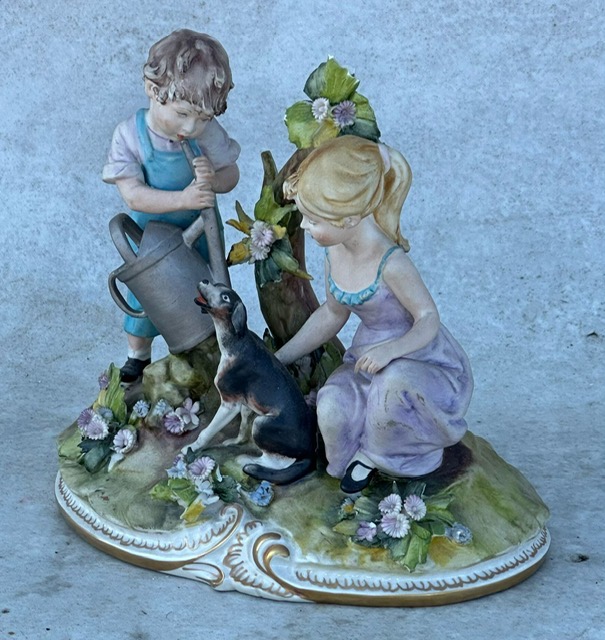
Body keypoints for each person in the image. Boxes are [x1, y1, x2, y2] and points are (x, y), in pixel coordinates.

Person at [276, 135, 473, 493]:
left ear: (350, 217)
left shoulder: (391, 263)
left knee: (391, 387)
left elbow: (428, 318)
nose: (303, 226)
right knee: (331, 404)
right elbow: (332, 313)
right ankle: (349, 458)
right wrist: (281, 358)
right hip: (366, 359)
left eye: (312, 219)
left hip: (419, 359)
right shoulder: (334, 252)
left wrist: (392, 350)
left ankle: (377, 459)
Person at [103, 29, 240, 381]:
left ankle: (212, 354)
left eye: (203, 118)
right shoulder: (130, 135)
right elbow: (133, 194)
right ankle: (138, 357)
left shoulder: (205, 133)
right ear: (153, 90)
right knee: (146, 297)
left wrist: (214, 179)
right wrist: (182, 198)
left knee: (210, 290)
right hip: (150, 236)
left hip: (201, 230)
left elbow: (231, 175)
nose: (191, 127)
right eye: (182, 113)